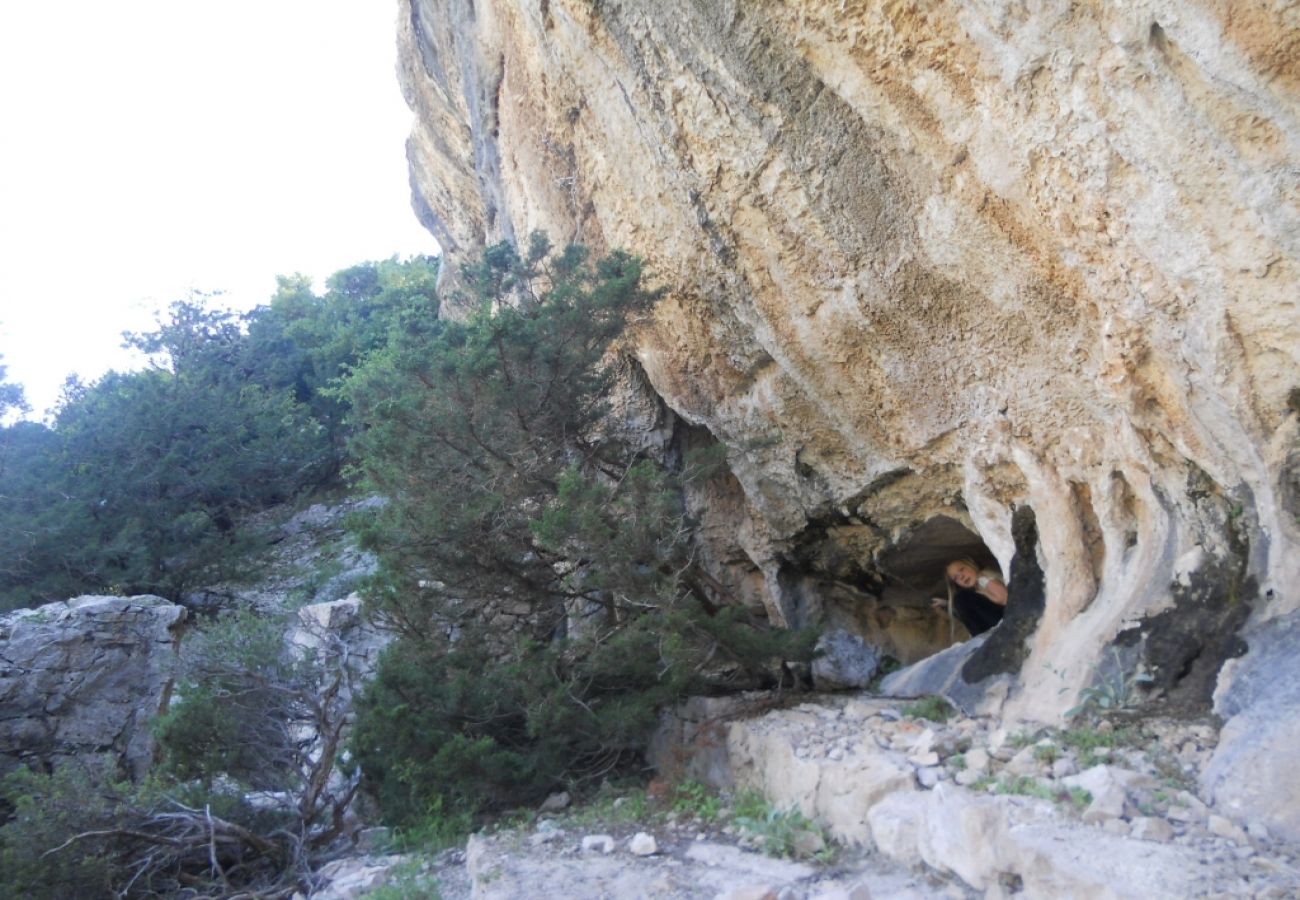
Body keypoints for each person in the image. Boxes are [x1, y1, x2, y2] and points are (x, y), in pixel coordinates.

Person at [933, 557, 1007, 637]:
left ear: (971, 564)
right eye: (956, 578)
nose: (961, 577)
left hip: (1007, 620)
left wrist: (982, 579)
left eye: (961, 569)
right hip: (1000, 622)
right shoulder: (976, 589)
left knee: (961, 598)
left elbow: (1004, 598)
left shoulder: (984, 577)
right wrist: (947, 604)